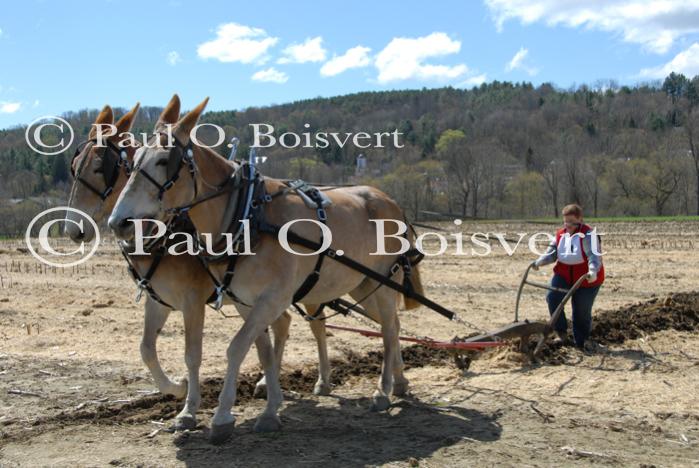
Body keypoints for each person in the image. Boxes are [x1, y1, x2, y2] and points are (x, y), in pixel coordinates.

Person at [532, 204, 604, 350]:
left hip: (586, 278)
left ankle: (581, 341)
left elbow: (594, 257)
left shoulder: (588, 235)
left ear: (580, 219)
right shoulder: (560, 235)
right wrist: (539, 261)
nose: (568, 225)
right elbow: (552, 253)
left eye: (571, 222)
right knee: (553, 298)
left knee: (580, 310)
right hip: (564, 274)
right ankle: (561, 333)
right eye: (565, 222)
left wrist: (592, 271)